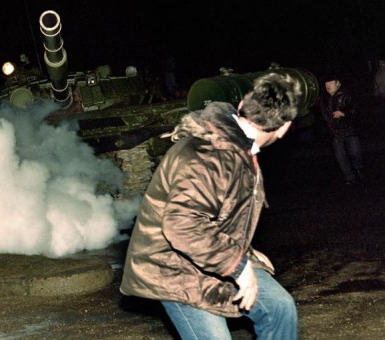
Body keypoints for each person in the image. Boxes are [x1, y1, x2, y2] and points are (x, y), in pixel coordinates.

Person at [120, 73, 300, 339]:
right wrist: (238, 265)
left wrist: (247, 252)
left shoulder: (239, 146)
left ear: (241, 106)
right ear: (284, 127)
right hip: (175, 269)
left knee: (280, 308)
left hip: (207, 257)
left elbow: (217, 212)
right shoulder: (207, 155)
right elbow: (183, 225)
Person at [319, 74, 364, 184]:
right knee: (340, 156)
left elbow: (357, 110)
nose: (327, 86)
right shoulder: (323, 98)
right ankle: (350, 177)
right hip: (335, 132)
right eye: (326, 84)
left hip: (350, 130)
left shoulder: (346, 94)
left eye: (330, 83)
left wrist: (343, 113)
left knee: (355, 153)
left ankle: (358, 170)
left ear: (337, 83)